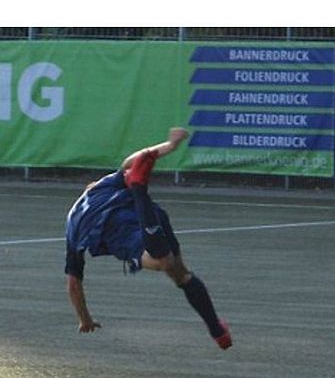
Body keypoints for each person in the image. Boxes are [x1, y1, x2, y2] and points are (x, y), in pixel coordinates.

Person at [64, 127, 231, 349]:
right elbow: (132, 162)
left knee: (163, 262)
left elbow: (74, 284)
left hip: (117, 230)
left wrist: (84, 318)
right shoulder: (103, 185)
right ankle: (218, 331)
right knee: (181, 275)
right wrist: (169, 146)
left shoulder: (73, 225)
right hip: (150, 217)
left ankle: (139, 190)